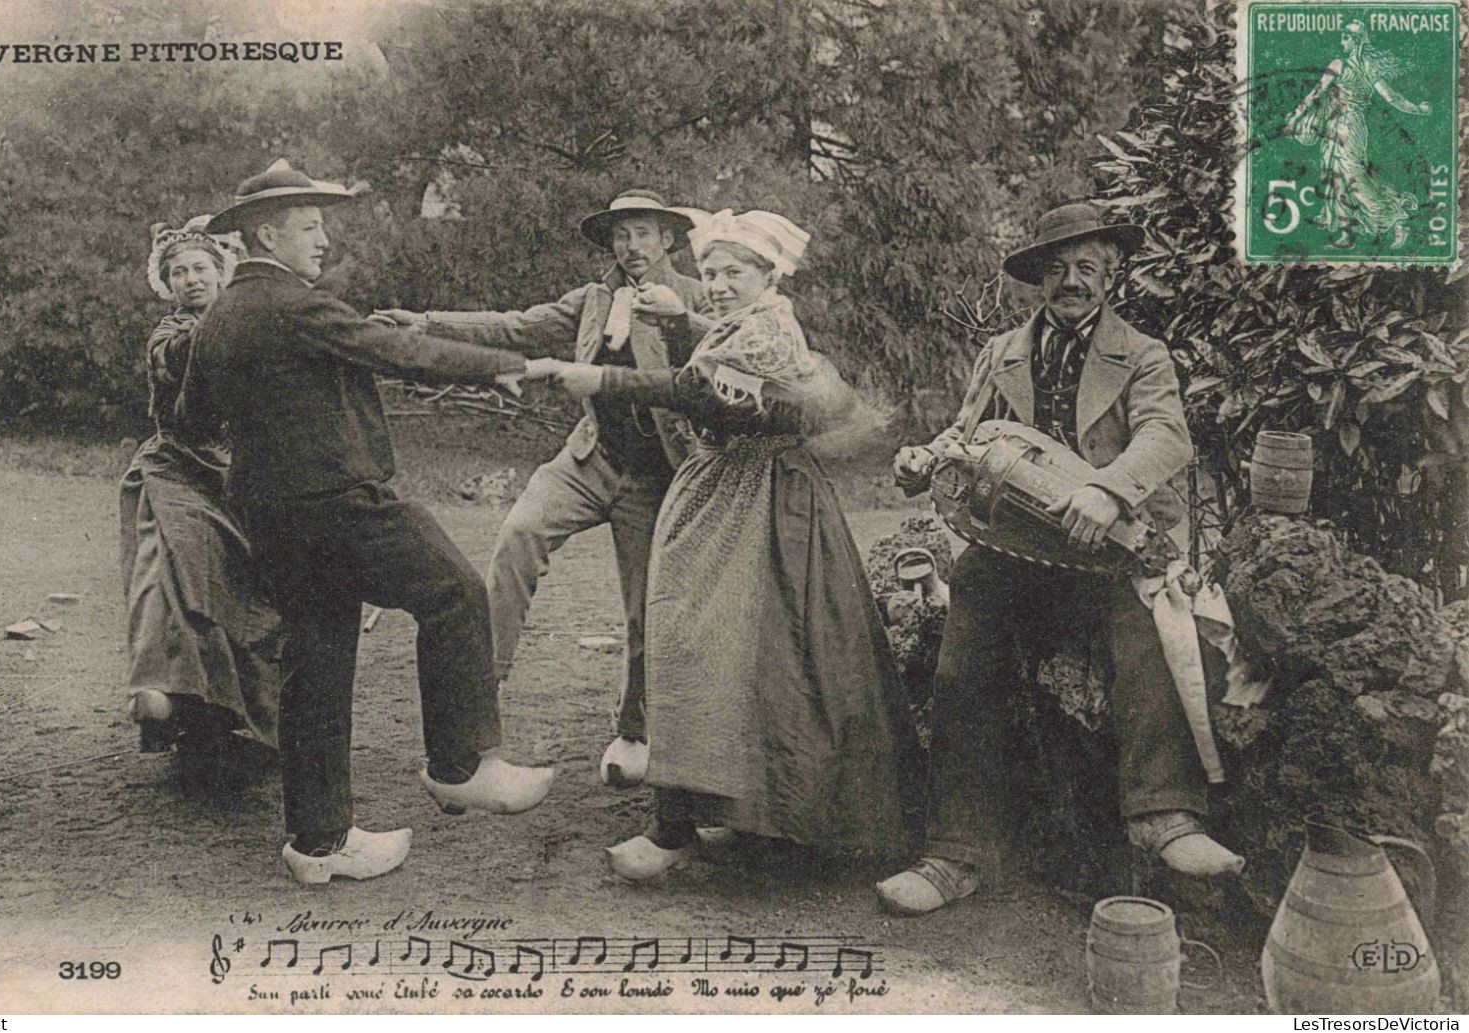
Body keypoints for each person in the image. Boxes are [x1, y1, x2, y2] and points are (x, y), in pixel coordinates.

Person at [184, 160, 556, 885]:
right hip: (336, 501)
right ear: (269, 233)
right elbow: (397, 352)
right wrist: (498, 364)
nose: (323, 239)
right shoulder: (291, 303)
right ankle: (459, 766)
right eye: (311, 225)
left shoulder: (222, 315)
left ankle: (320, 842)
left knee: (317, 663)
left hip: (271, 511)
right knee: (453, 591)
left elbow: (188, 420)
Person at [881, 202, 1243, 917]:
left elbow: (1167, 437)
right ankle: (955, 852)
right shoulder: (1001, 352)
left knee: (1146, 635)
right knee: (962, 660)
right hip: (1009, 544)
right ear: (1036, 280)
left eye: (1086, 267)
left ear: (1110, 275)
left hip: (1103, 548)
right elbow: (967, 430)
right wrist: (925, 458)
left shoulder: (1140, 354)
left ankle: (1164, 816)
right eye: (1057, 270)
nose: (1071, 281)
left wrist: (1108, 490)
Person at [545, 209, 921, 881]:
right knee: (709, 651)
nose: (715, 283)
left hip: (765, 502)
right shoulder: (744, 322)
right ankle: (711, 814)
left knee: (734, 650)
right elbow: (716, 353)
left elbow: (702, 393)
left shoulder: (771, 329)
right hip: (724, 489)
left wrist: (601, 378)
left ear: (769, 275)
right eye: (709, 271)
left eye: (733, 272)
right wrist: (680, 320)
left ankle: (709, 824)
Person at [380, 190, 708, 789]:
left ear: (668, 239)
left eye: (642, 234)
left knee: (644, 609)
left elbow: (712, 373)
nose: (631, 248)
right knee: (517, 534)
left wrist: (680, 324)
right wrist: (425, 322)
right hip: (589, 459)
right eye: (620, 236)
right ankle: (483, 696)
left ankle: (635, 731)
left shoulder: (693, 300)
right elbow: (517, 325)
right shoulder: (594, 299)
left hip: (657, 479)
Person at [120, 216, 282, 756]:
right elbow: (178, 358)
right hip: (177, 471)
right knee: (177, 574)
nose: (191, 279)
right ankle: (168, 696)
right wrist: (231, 321)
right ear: (167, 286)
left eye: (200, 268)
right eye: (179, 273)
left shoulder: (248, 325)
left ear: (221, 272)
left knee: (252, 582)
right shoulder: (172, 334)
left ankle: (245, 711)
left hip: (240, 473)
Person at [1285, 20, 1431, 249]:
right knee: (1337, 177)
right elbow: (1392, 98)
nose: (1342, 41)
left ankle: (1394, 217)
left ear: (1357, 41)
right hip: (1349, 125)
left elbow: (1315, 93)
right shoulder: (1367, 67)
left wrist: (1295, 117)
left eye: (1346, 37)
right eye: (1342, 36)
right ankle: (1346, 232)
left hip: (1344, 125)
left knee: (1351, 177)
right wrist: (1418, 109)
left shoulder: (1340, 64)